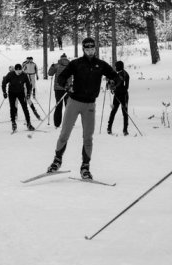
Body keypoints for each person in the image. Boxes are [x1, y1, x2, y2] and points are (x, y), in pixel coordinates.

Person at [46, 38, 119, 180]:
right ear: (83, 50)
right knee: (64, 133)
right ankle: (57, 161)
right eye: (87, 49)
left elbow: (116, 77)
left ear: (95, 49)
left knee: (88, 137)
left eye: (92, 49)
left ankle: (85, 167)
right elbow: (61, 78)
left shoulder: (101, 65)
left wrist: (112, 82)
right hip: (74, 102)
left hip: (90, 105)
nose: (90, 51)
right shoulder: (76, 64)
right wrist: (67, 87)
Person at [2, 63, 35, 133]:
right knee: (12, 107)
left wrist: (28, 93)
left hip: (21, 92)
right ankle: (13, 122)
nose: (19, 72)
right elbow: (4, 82)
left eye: (20, 70)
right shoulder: (10, 74)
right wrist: (4, 92)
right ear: (15, 70)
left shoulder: (24, 75)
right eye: (18, 71)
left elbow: (28, 85)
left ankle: (29, 123)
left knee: (25, 107)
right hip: (12, 93)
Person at [106, 60, 130, 136]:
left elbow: (126, 87)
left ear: (119, 66)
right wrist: (109, 83)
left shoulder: (125, 74)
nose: (115, 67)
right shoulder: (117, 74)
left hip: (124, 96)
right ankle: (109, 128)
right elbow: (111, 83)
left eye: (116, 66)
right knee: (114, 111)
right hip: (117, 95)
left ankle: (125, 130)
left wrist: (115, 87)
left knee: (124, 113)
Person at [47, 53, 71, 127]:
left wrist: (52, 67)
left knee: (58, 105)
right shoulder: (71, 65)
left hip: (58, 88)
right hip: (68, 88)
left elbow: (49, 74)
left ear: (60, 58)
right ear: (66, 58)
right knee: (68, 105)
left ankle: (57, 123)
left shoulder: (56, 65)